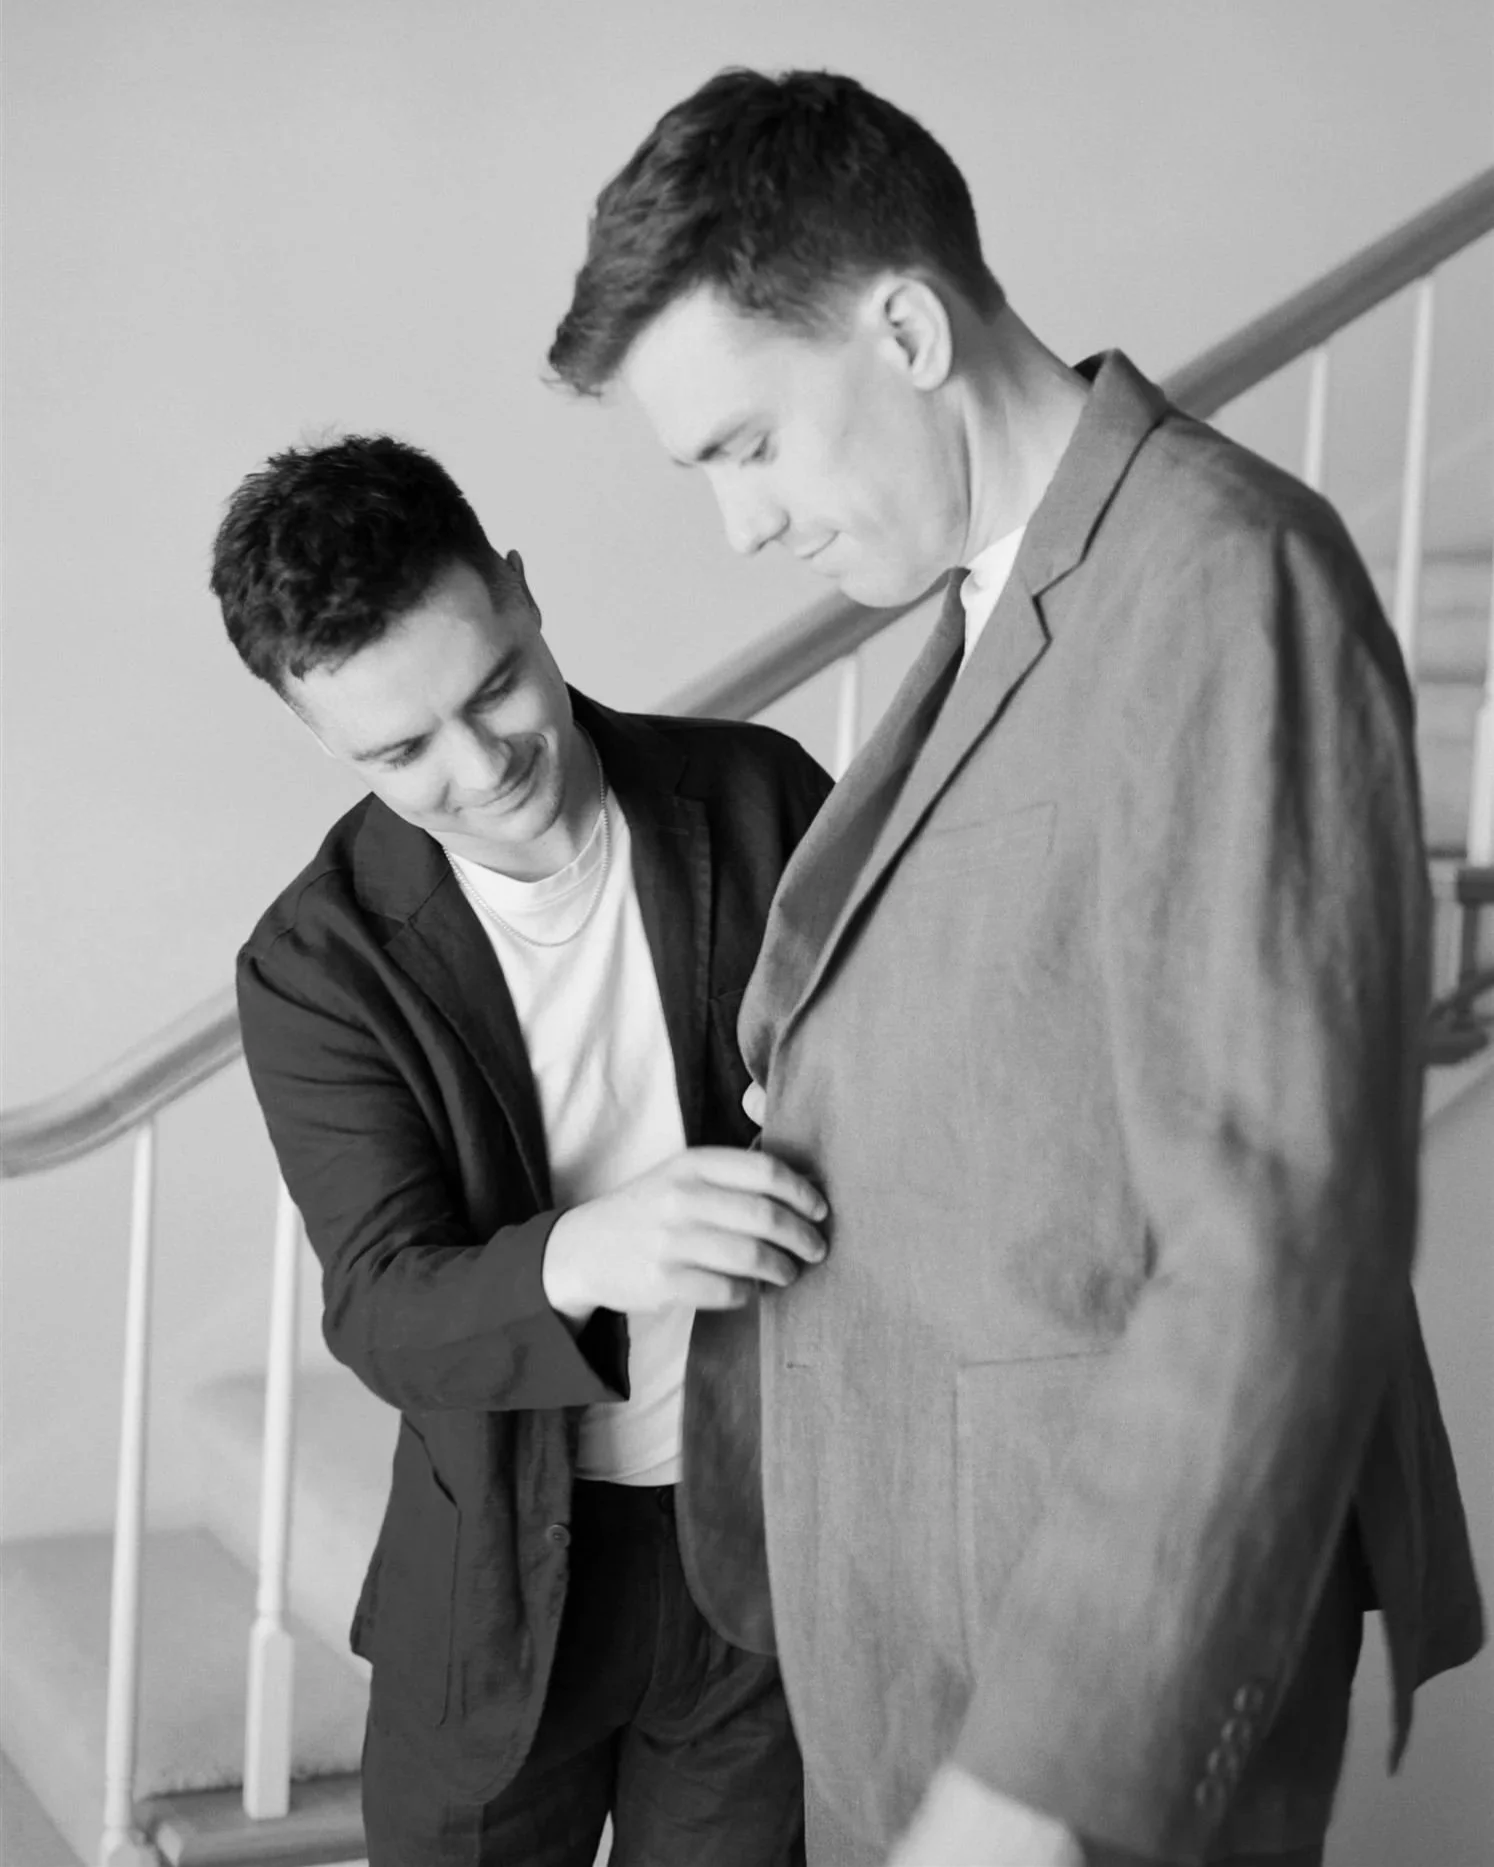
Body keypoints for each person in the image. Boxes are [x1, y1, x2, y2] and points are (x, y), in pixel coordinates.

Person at [547, 68, 1485, 1867]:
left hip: (1061, 1677)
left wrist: (1046, 1776)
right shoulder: (998, 601)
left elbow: (1278, 1226)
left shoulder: (1218, 575)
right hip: (906, 1618)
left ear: (901, 324)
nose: (742, 528)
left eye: (742, 446)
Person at [213, 433, 833, 1866]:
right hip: (495, 1599)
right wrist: (583, 1252)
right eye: (400, 750)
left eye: (494, 687)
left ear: (521, 589)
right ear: (318, 737)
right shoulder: (313, 965)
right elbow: (383, 1308)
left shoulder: (760, 796)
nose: (483, 765)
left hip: (762, 1553)